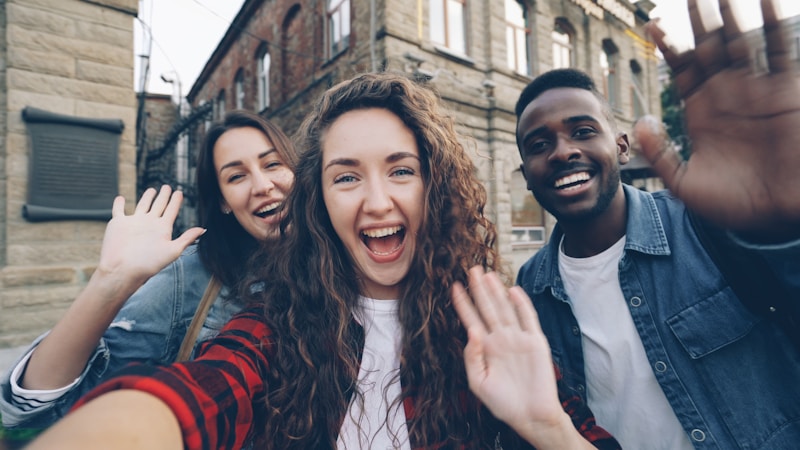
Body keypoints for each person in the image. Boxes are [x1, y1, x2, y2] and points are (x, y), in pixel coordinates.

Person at [23, 72, 621, 450]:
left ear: (434, 185)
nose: (377, 200)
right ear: (318, 200)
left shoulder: (485, 327)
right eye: (346, 177)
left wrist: (549, 429)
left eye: (401, 170)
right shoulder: (274, 321)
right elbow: (192, 397)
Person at [511, 0, 800, 448]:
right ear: (527, 175)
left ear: (622, 147)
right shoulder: (529, 291)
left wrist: (783, 230)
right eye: (539, 143)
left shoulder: (708, 227)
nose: (563, 151)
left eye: (583, 131)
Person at [0, 110, 298, 433]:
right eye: (236, 176)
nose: (263, 185)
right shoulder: (191, 274)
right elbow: (29, 415)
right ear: (224, 201)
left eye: (272, 164)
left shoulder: (346, 260)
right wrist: (111, 280)